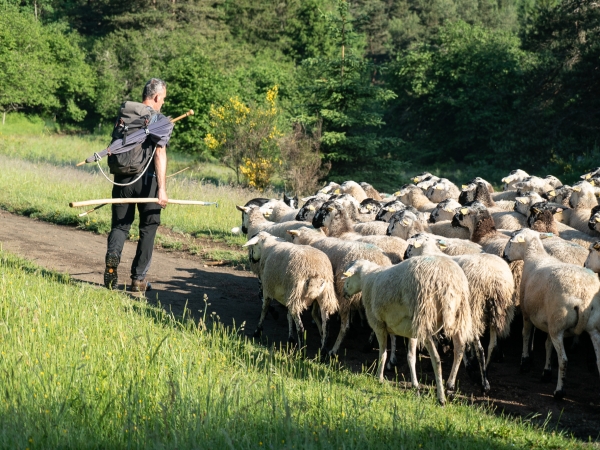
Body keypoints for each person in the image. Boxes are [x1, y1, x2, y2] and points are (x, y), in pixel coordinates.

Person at [104, 78, 169, 292]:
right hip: (146, 181)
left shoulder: (127, 114)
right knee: (149, 227)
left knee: (120, 225)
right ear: (157, 97)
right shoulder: (158, 118)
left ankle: (112, 263)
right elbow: (159, 153)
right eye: (163, 99)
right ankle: (138, 279)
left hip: (122, 178)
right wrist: (162, 189)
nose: (163, 104)